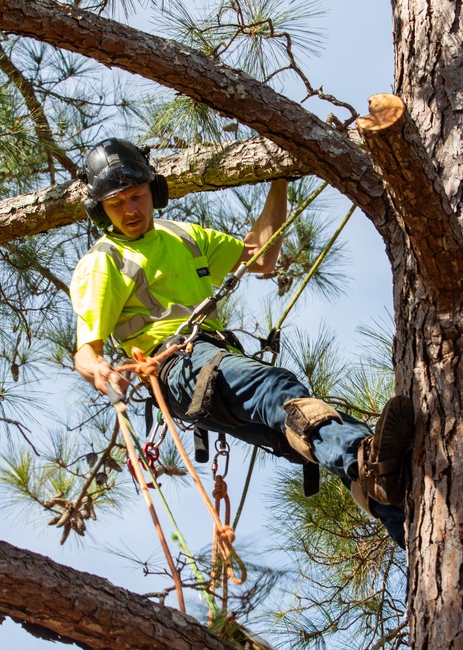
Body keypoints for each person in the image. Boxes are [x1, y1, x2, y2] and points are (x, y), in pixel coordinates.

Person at [69, 138, 413, 546]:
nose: (130, 210)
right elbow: (85, 352)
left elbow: (261, 257)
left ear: (154, 191)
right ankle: (363, 458)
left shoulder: (182, 235)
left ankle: (403, 517)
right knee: (277, 390)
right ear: (99, 211)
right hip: (179, 366)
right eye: (116, 203)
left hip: (209, 364)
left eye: (137, 196)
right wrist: (101, 370)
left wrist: (280, 179)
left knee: (298, 435)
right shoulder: (103, 261)